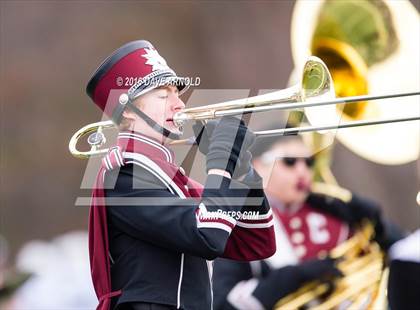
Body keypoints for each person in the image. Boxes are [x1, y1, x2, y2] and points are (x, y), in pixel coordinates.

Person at [85, 40, 276, 310]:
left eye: (177, 93)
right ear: (127, 110)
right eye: (164, 95)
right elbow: (207, 235)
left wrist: (241, 170)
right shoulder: (124, 173)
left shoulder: (171, 177)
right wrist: (220, 162)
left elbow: (256, 242)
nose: (179, 104)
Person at [213, 129, 403, 310]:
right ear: (258, 167)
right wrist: (294, 276)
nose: (302, 171)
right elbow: (224, 302)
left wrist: (381, 230)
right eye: (289, 162)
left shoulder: (338, 212)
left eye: (309, 163)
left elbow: (407, 255)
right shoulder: (240, 226)